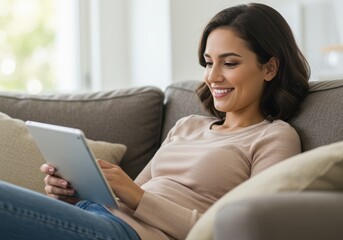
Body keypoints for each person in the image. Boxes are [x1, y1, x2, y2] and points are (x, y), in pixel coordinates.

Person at [0, 3, 310, 240]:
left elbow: (250, 231)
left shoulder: (274, 137)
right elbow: (130, 196)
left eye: (229, 63)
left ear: (269, 68)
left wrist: (134, 195)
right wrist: (74, 194)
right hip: (96, 217)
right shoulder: (187, 125)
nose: (213, 77)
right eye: (208, 62)